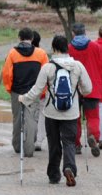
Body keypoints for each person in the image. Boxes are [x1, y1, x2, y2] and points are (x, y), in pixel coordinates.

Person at [18, 35, 92, 186]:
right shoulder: (77, 66)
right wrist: (78, 91)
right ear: (67, 48)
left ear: (54, 48)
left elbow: (37, 91)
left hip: (51, 112)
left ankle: (53, 175)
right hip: (71, 113)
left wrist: (23, 99)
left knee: (54, 143)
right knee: (69, 142)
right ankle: (69, 168)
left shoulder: (48, 67)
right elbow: (88, 89)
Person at [68, 23, 102, 157]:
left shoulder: (69, 48)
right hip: (93, 88)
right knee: (93, 116)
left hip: (74, 88)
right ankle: (93, 136)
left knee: (74, 117)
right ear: (85, 33)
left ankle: (76, 144)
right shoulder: (96, 47)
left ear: (73, 33)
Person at [2, 27, 49, 157]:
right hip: (34, 92)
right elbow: (46, 74)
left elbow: (6, 74)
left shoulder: (12, 53)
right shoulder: (41, 54)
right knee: (32, 119)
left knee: (17, 118)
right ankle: (29, 148)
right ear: (32, 38)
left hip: (17, 91)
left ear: (19, 38)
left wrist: (10, 89)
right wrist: (42, 90)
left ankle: (17, 146)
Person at [32, 30, 46, 151]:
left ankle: (31, 137)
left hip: (26, 89)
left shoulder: (17, 53)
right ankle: (39, 140)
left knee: (30, 114)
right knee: (42, 114)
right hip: (41, 90)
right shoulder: (42, 53)